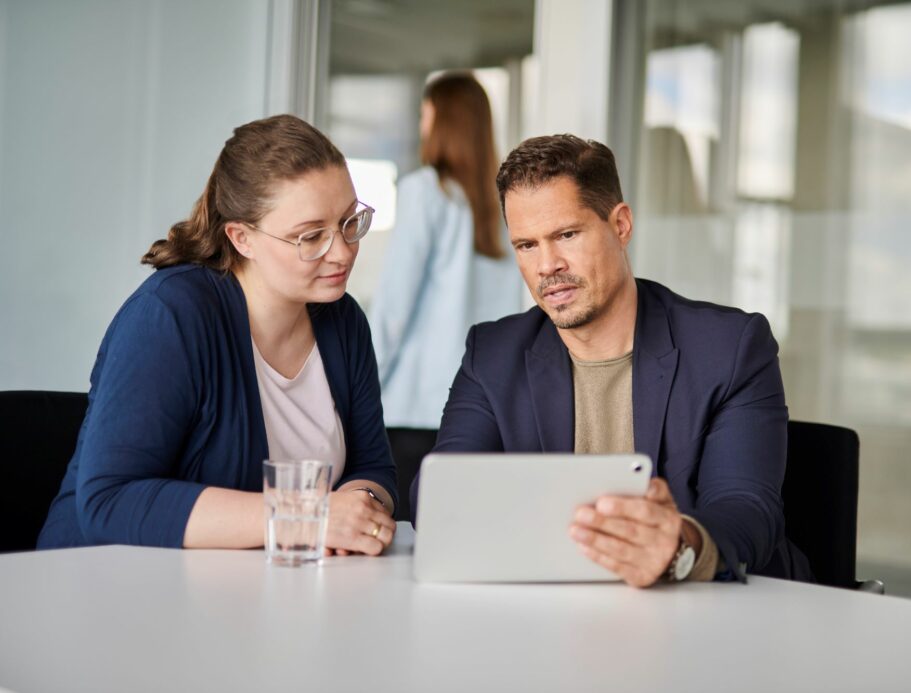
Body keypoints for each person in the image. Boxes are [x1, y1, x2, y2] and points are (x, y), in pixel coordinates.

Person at [411, 134, 812, 587]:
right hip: (548, 615)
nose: (547, 265)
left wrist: (678, 543)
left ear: (620, 225)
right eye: (526, 245)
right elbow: (438, 495)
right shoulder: (492, 354)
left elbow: (747, 508)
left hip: (709, 614)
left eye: (566, 235)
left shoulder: (729, 347)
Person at [38, 115, 397, 555]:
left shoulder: (342, 321)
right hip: (103, 587)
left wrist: (360, 510)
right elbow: (109, 500)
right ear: (242, 238)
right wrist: (307, 518)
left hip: (250, 594)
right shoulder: (171, 316)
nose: (342, 251)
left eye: (348, 222)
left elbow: (372, 465)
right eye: (310, 236)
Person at [368, 72, 521, 522]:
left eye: (425, 112)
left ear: (442, 120)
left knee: (402, 543)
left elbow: (394, 308)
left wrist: (355, 389)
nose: (421, 123)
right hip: (479, 410)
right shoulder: (501, 207)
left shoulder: (427, 193)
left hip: (413, 410)